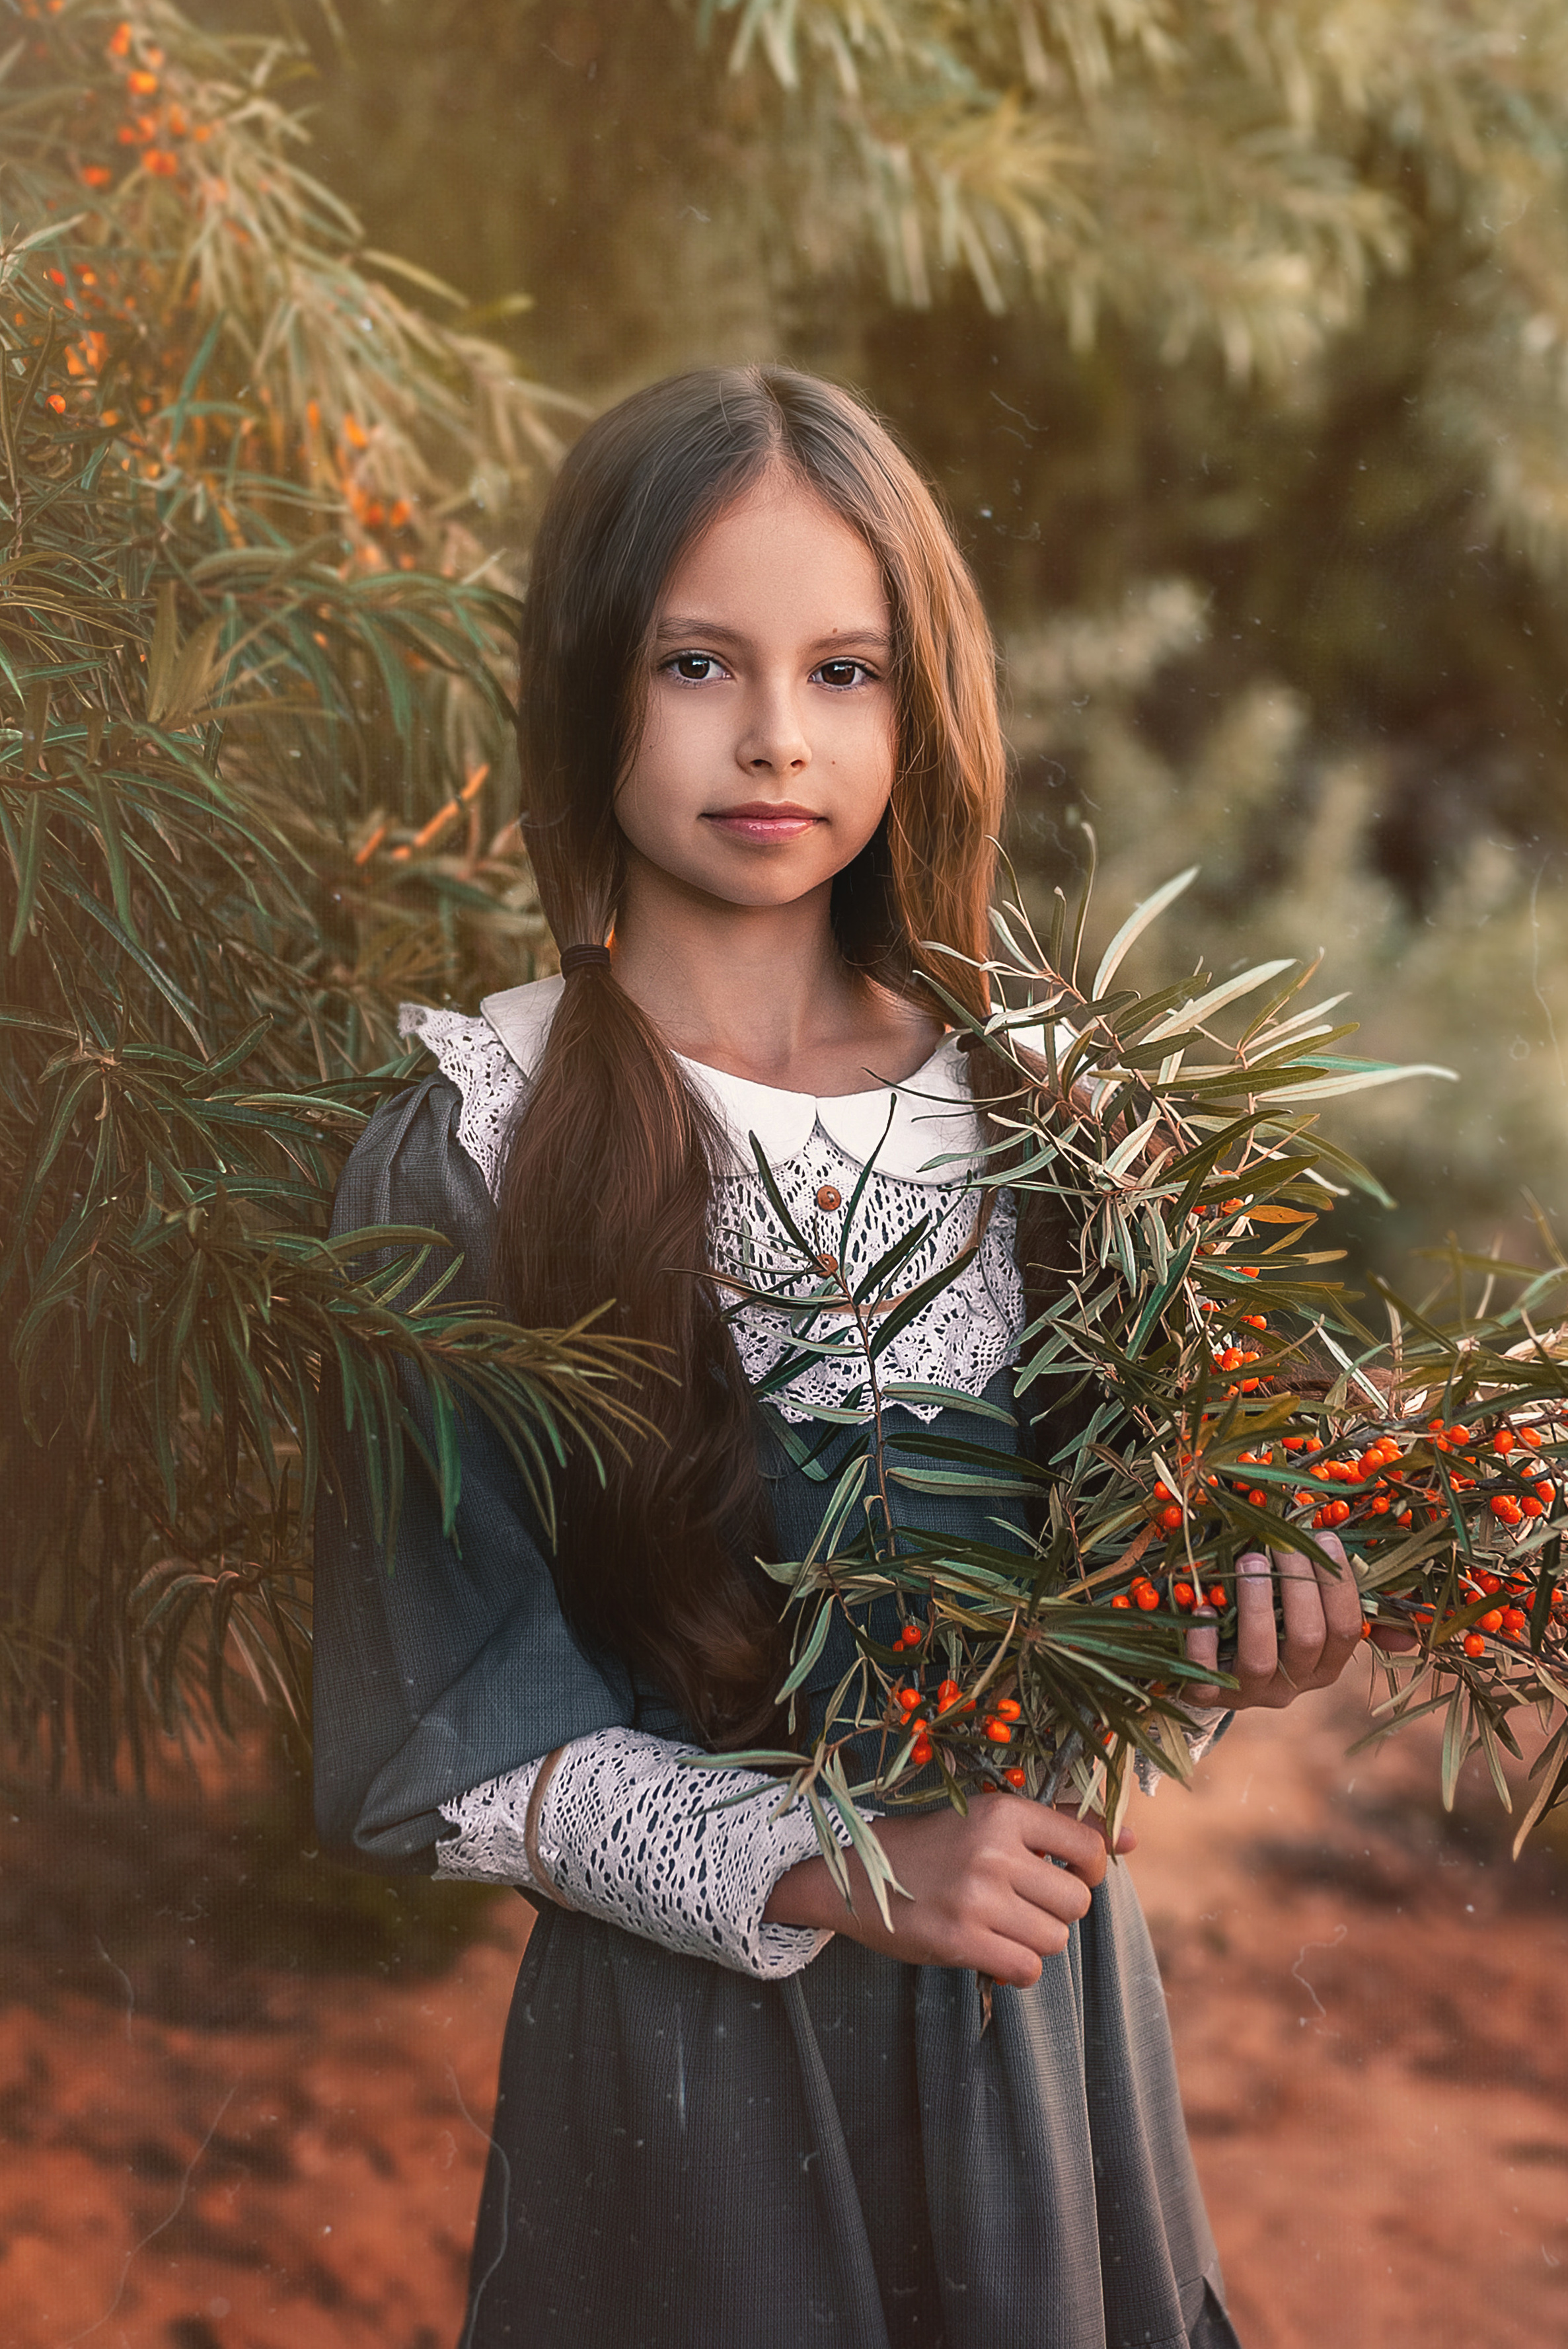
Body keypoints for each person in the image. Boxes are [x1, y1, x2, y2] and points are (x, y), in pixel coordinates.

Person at [313, 366, 1366, 2349]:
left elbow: (1096, 1618)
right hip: (693, 2086)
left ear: (924, 703)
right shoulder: (473, 1145)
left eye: (848, 672)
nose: (777, 737)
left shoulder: (1063, 1126)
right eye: (700, 661)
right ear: (586, 681)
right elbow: (435, 1737)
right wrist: (832, 1866)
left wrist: (1240, 1646)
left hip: (1038, 2046)